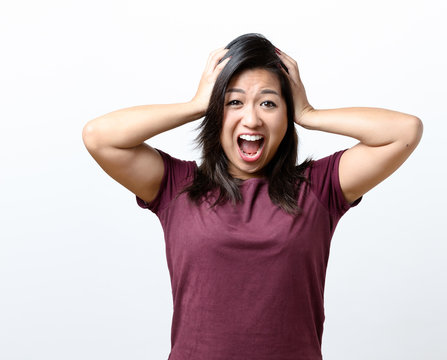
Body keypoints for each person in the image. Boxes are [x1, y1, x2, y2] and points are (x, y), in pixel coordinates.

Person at [82, 33, 423, 360]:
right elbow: (99, 137)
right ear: (217, 115)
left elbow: (405, 131)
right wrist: (197, 104)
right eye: (234, 101)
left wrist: (309, 114)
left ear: (286, 117)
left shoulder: (319, 188)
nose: (252, 118)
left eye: (269, 103)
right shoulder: (177, 185)